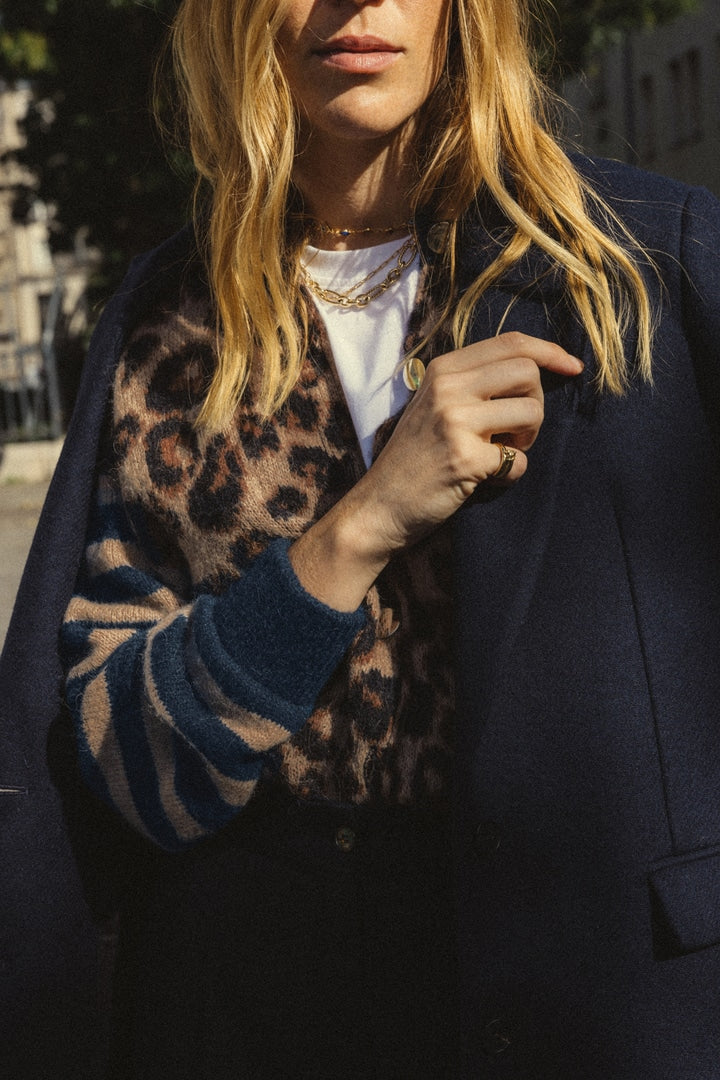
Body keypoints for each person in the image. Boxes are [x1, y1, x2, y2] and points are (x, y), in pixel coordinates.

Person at [3, 0, 720, 1076]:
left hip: (607, 997)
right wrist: (360, 527)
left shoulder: (644, 267)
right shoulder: (167, 323)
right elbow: (120, 764)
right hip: (250, 1010)